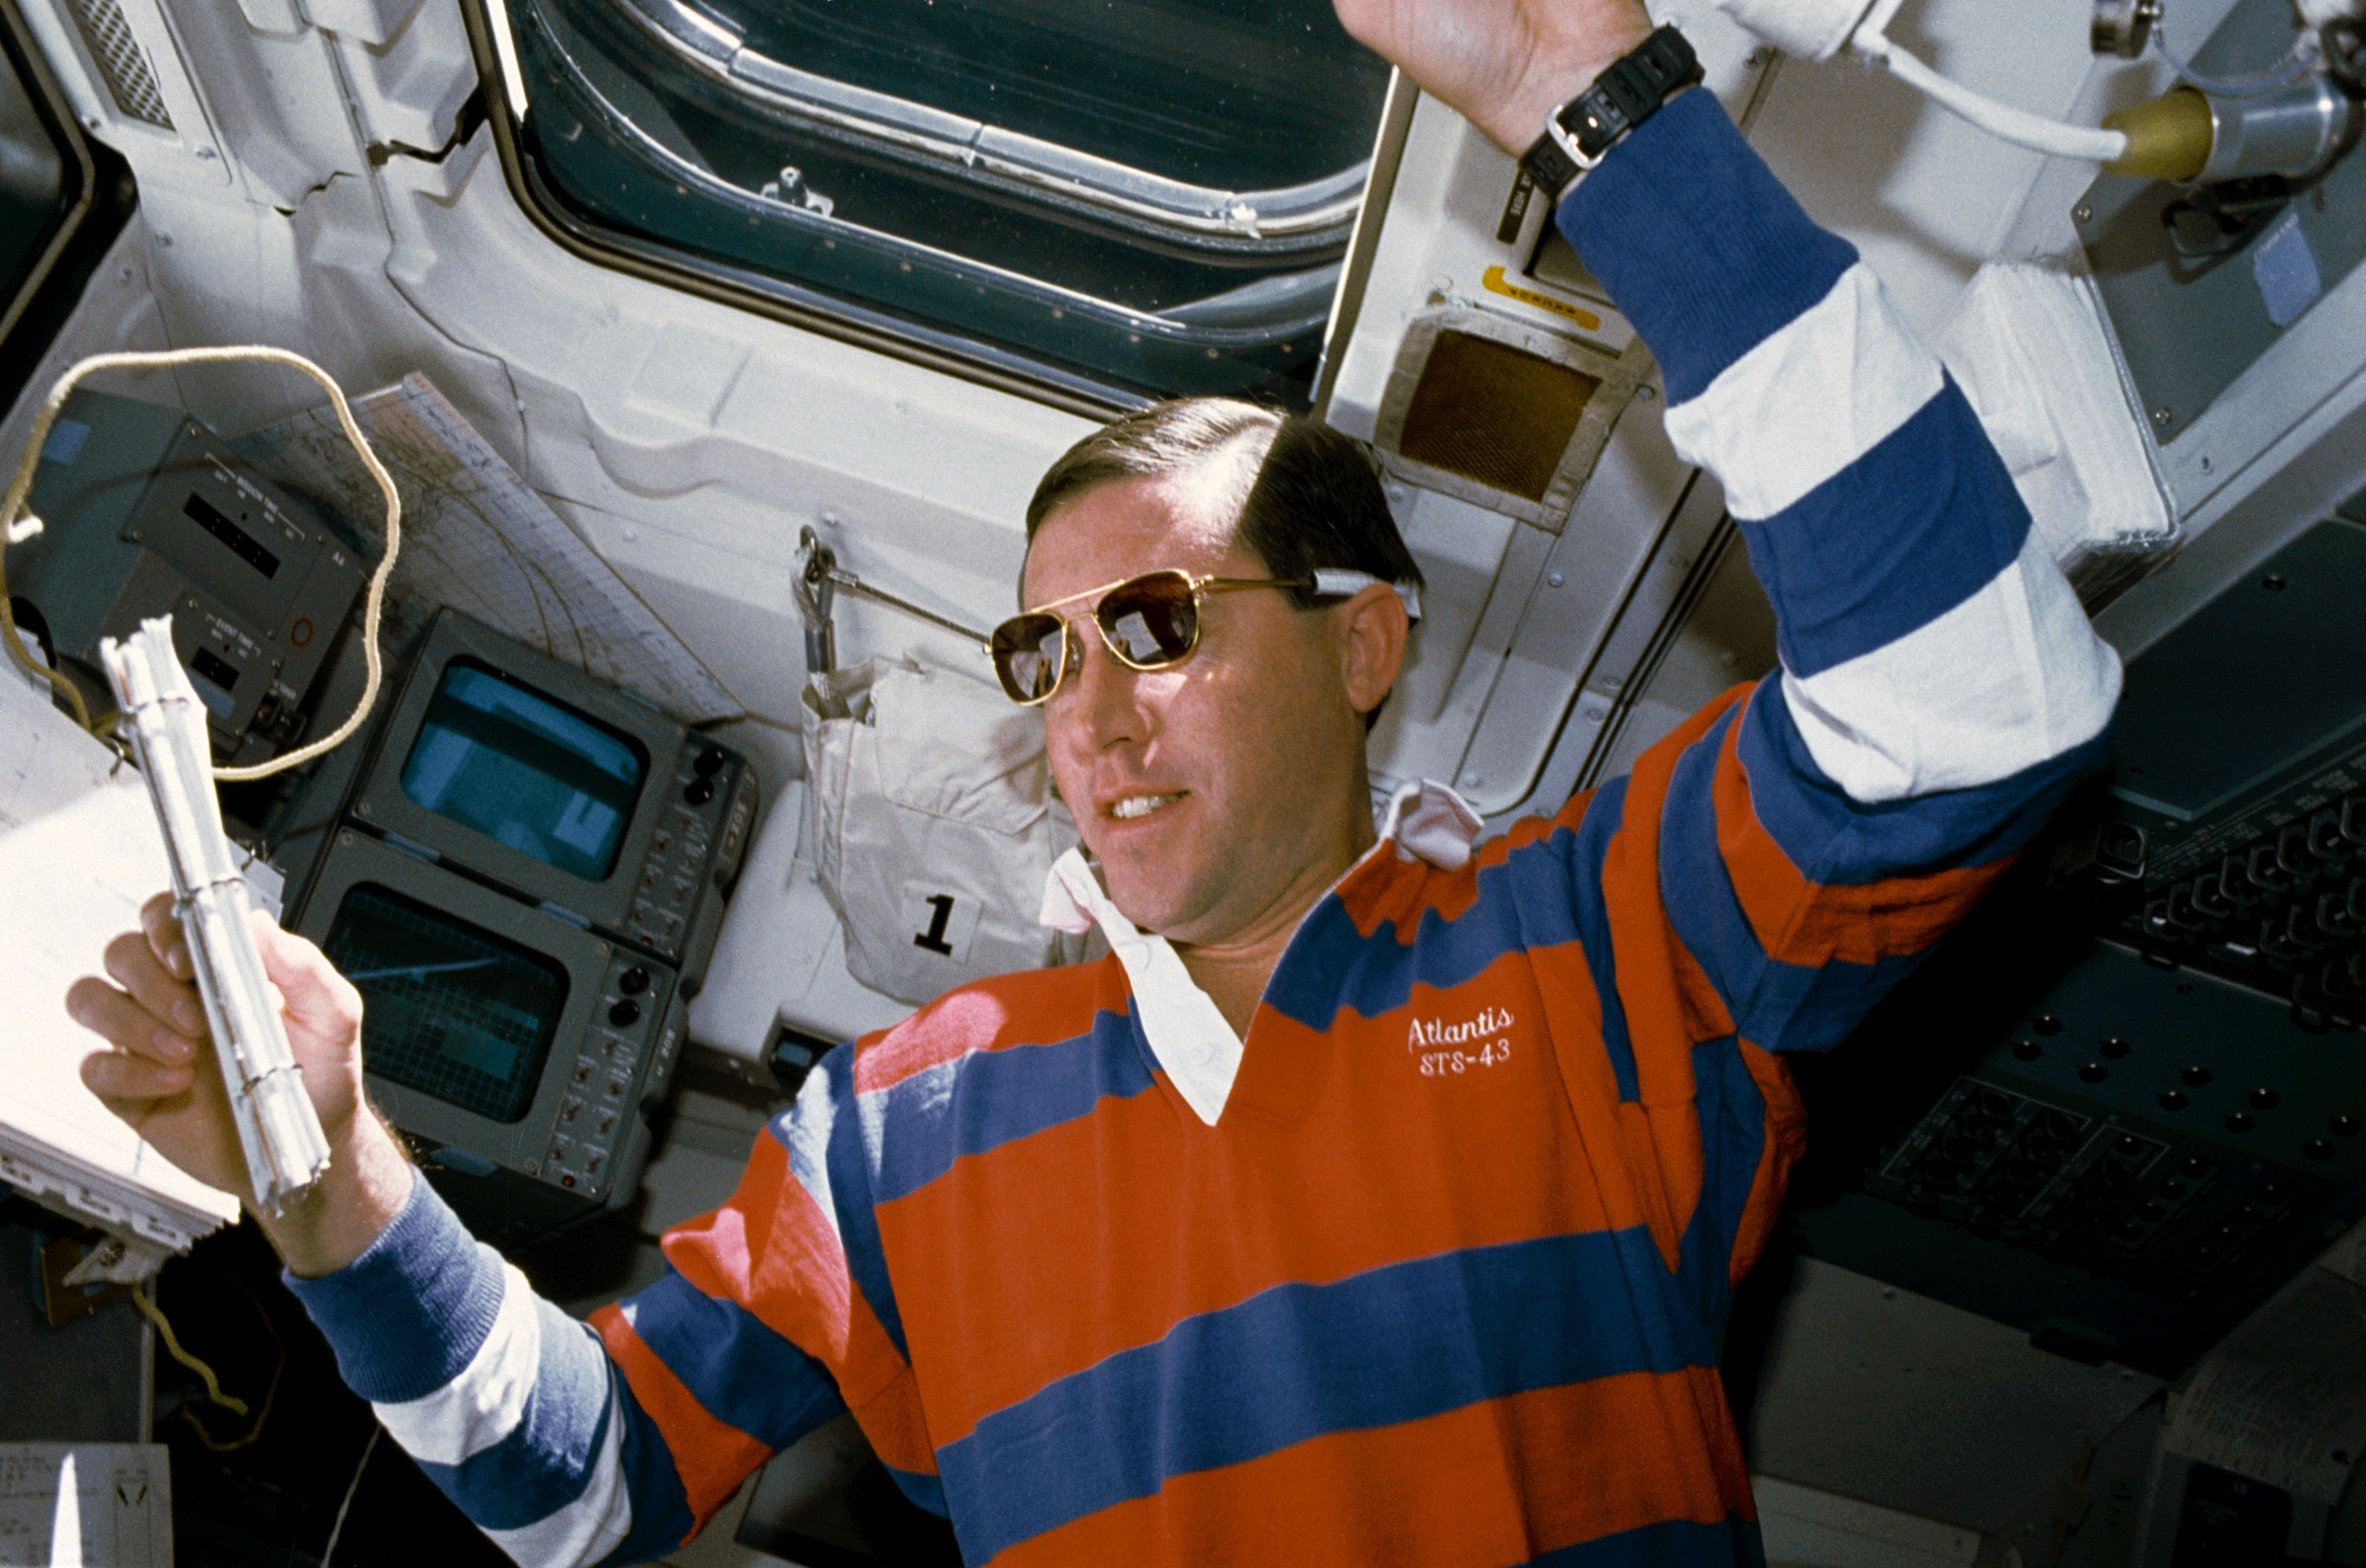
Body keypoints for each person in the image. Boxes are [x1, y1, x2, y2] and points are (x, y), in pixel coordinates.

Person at [67, 0, 2125, 1559]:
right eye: (1044, 657)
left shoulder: (1589, 936)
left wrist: (1596, 101)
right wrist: (332, 1182)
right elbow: (580, 1488)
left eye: (1160, 625)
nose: (1088, 718)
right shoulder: (892, 1125)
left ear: (1367, 638)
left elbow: (1969, 703)